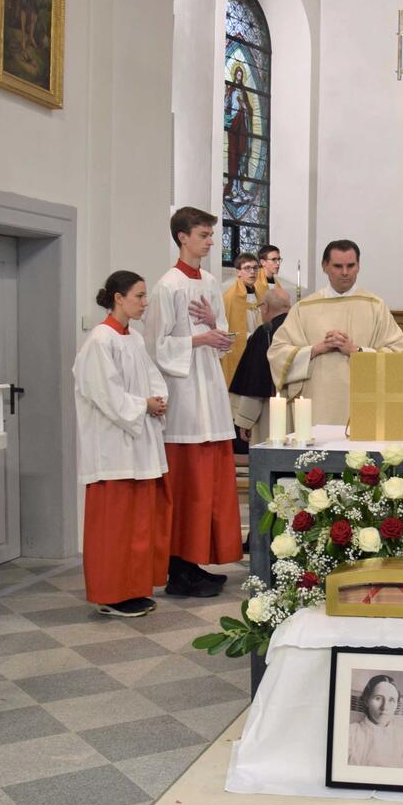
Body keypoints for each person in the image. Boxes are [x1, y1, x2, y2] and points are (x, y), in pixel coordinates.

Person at [143, 206, 242, 598]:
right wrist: (201, 338)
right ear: (182, 237)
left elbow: (215, 339)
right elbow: (155, 347)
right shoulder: (167, 286)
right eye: (203, 234)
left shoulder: (211, 280)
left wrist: (218, 333)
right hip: (184, 400)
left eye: (210, 234)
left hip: (209, 393)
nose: (211, 240)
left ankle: (195, 562)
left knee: (210, 486)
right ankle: (178, 569)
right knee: (187, 486)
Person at [73, 271, 169, 617]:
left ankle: (133, 588)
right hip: (111, 448)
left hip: (138, 443)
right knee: (113, 527)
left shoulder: (135, 339)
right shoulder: (100, 340)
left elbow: (152, 377)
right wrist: (143, 405)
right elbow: (106, 394)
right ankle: (110, 593)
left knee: (137, 524)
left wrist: (158, 399)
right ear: (118, 298)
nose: (145, 303)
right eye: (139, 296)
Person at [267, 240, 403, 426]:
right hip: (316, 403)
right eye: (338, 266)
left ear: (359, 266)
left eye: (351, 266)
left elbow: (397, 355)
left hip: (363, 403)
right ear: (325, 266)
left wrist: (356, 351)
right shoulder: (304, 308)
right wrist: (317, 349)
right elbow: (277, 353)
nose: (345, 273)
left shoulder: (375, 306)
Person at [230, 285, 292, 444]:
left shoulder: (265, 333)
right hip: (299, 409)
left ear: (265, 308)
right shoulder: (298, 329)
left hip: (269, 411)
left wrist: (245, 420)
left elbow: (255, 379)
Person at [220, 252, 269, 385]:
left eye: (255, 268)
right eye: (247, 268)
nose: (252, 272)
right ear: (238, 272)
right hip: (241, 349)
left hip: (259, 348)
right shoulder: (230, 297)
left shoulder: (262, 295)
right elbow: (229, 328)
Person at [347, 674, 403, 768]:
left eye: (391, 700)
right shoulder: (350, 734)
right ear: (366, 701)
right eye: (378, 698)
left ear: (396, 705)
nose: (385, 707)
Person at [224, 66, 252, 201]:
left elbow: (249, 109)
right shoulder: (231, 90)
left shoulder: (244, 92)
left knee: (242, 156)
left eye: (241, 74)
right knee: (233, 156)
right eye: (238, 74)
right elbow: (226, 106)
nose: (240, 76)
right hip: (233, 125)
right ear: (235, 75)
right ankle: (233, 188)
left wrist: (246, 108)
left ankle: (239, 188)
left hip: (242, 125)